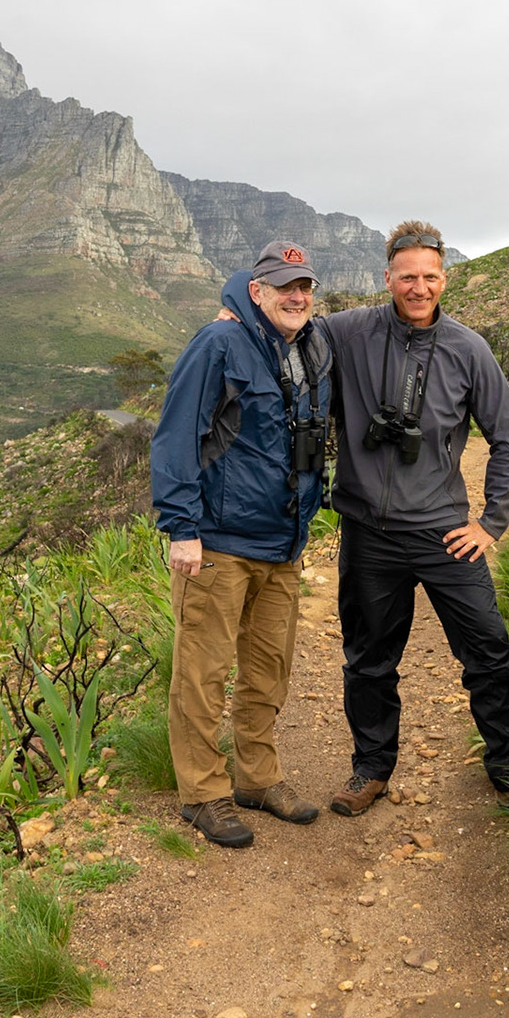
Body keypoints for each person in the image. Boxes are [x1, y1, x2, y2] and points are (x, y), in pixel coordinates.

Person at [318, 220, 509, 816]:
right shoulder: (348, 331)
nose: (419, 287)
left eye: (430, 277)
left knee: (490, 653)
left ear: (445, 278)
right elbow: (286, 329)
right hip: (368, 533)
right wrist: (240, 313)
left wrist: (490, 523)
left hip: (445, 533)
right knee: (368, 660)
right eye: (407, 276)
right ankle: (370, 769)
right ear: (386, 276)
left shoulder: (469, 350)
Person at [150, 241, 334, 847]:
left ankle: (258, 777)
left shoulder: (309, 345)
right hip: (220, 545)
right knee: (202, 673)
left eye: (303, 286)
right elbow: (176, 437)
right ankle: (203, 792)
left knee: (267, 670)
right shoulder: (218, 344)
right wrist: (182, 528)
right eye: (284, 287)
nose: (296, 296)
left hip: (283, 543)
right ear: (256, 291)